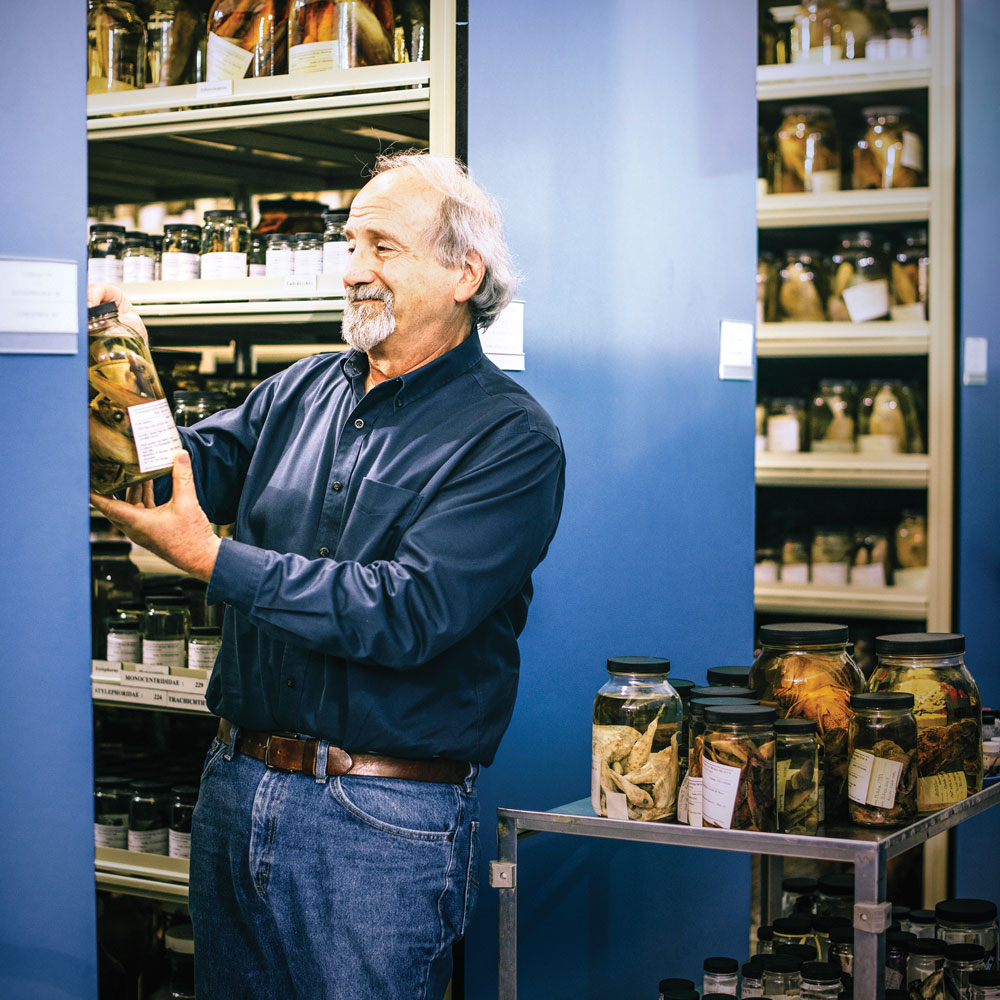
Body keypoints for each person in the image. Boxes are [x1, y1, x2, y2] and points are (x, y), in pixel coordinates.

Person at [90, 151, 565, 1000]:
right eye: (351, 244)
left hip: (378, 821)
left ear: (465, 272)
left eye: (382, 248)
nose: (352, 271)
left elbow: (407, 611)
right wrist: (126, 364)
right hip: (236, 786)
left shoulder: (510, 441)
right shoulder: (302, 391)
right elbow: (175, 471)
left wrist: (211, 558)